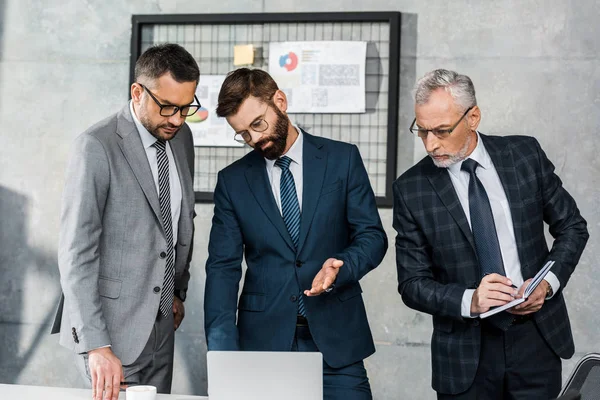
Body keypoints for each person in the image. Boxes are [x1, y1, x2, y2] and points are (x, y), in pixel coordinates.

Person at [393, 69, 589, 399]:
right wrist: (472, 299)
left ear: (473, 117)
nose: (431, 144)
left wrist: (547, 284)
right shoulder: (411, 189)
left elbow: (572, 227)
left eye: (441, 131)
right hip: (464, 353)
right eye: (422, 131)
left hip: (537, 340)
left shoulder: (524, 155)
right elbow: (412, 284)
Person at [204, 68, 387, 399]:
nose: (255, 139)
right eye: (243, 134)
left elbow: (372, 236)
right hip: (263, 344)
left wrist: (343, 265)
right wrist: (222, 354)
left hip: (336, 342)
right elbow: (222, 269)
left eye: (258, 124)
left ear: (280, 101)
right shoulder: (233, 181)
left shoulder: (342, 159)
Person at [52, 43, 200, 399]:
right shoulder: (96, 146)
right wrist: (96, 346)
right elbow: (76, 254)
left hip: (163, 325)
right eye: (167, 107)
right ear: (137, 92)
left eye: (186, 108)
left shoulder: (182, 140)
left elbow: (179, 222)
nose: (177, 119)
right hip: (111, 334)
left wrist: (176, 291)